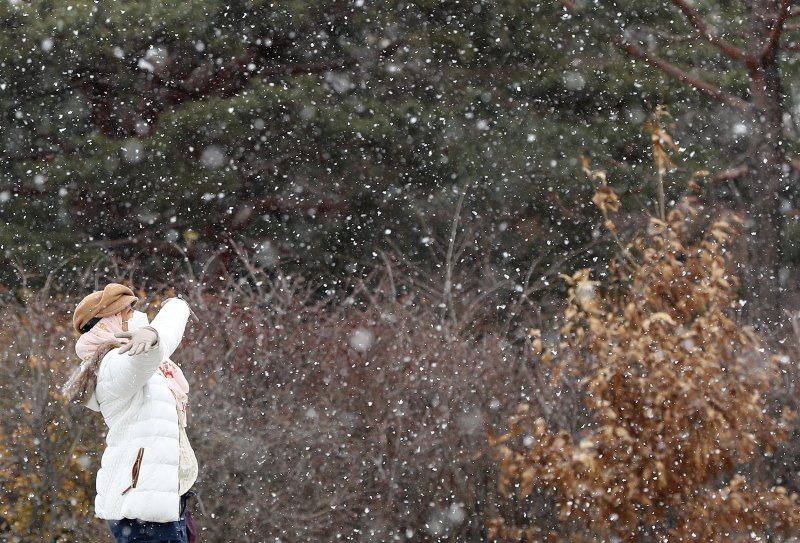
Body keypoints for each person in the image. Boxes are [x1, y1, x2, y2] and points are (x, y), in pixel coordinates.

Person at [63, 283, 198, 543]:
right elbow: (148, 355)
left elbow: (155, 347)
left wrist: (171, 313)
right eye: (126, 312)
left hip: (162, 501)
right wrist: (163, 322)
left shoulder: (134, 356)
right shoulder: (111, 363)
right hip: (142, 507)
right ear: (107, 323)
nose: (134, 315)